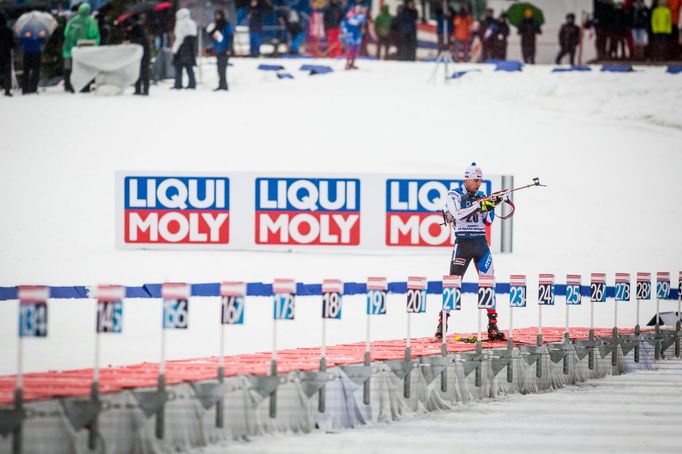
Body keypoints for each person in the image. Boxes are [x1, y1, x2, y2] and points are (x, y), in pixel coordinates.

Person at [435, 163, 505, 341]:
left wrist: (491, 205)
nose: (478, 184)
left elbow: (488, 222)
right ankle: (442, 323)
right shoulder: (454, 194)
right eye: (475, 180)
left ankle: (493, 325)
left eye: (480, 180)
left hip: (481, 243)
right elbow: (457, 214)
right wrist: (479, 205)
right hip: (463, 244)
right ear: (466, 178)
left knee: (488, 283)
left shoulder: (481, 195)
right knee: (453, 283)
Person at [63, 3, 100, 93]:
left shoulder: (72, 21)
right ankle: (84, 87)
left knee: (71, 68)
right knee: (84, 69)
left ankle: (71, 86)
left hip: (71, 49)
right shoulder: (91, 22)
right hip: (85, 50)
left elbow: (66, 33)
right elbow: (93, 35)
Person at [123, 16, 150, 95]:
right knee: (136, 70)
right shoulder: (129, 30)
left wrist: (131, 41)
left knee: (144, 71)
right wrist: (126, 40)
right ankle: (137, 89)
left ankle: (145, 89)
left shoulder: (139, 28)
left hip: (144, 52)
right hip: (136, 53)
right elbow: (128, 37)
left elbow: (142, 40)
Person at [207, 10, 233, 91]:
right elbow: (212, 36)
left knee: (222, 68)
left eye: (218, 15)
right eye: (216, 15)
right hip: (218, 49)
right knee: (219, 68)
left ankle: (224, 85)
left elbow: (230, 37)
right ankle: (221, 84)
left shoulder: (226, 25)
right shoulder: (216, 26)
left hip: (225, 49)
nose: (217, 17)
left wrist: (229, 48)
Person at [172, 8, 197, 89]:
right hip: (190, 48)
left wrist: (174, 49)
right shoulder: (192, 23)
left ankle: (178, 84)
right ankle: (192, 84)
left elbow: (179, 38)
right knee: (189, 67)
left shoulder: (180, 23)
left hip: (181, 48)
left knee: (178, 67)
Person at [341, 2, 368, 70]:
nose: (359, 8)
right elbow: (346, 22)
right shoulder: (350, 13)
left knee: (356, 50)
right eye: (357, 7)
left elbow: (362, 24)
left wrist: (362, 29)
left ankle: (352, 63)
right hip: (351, 34)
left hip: (357, 34)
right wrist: (345, 31)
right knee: (350, 49)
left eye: (360, 7)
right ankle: (347, 63)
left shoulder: (362, 14)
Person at [0, 12, 14, 97]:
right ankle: (7, 90)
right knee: (7, 73)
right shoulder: (8, 31)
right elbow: (12, 44)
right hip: (6, 54)